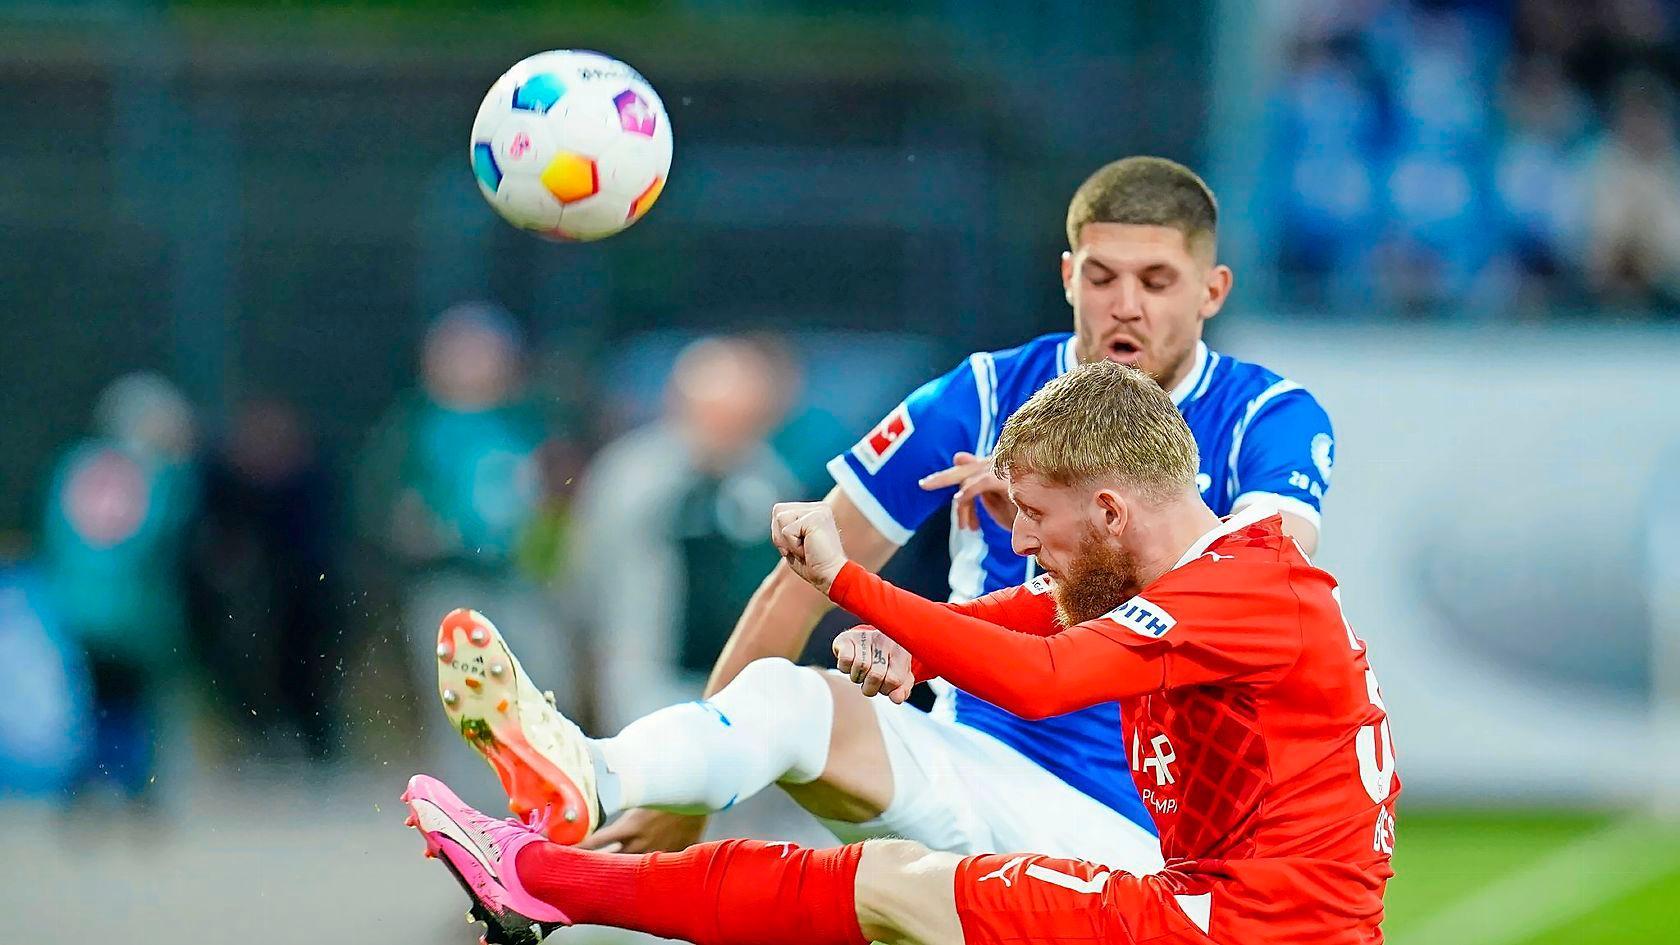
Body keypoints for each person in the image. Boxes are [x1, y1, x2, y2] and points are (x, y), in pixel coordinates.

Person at [435, 157, 1336, 870]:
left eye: (1156, 279)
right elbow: (803, 576)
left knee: (855, 894)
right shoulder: (982, 395)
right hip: (972, 765)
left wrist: (1068, 502)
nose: (1126, 305)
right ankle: (594, 774)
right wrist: (686, 800)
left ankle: (553, 873)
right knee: (793, 702)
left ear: (1211, 290)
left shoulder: (1270, 418)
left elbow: (1263, 587)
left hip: (1149, 830)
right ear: (1067, 275)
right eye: (1102, 276)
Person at [402, 361, 1397, 945]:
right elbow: (1037, 614)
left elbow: (1041, 680)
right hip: (1219, 910)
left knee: (891, 890)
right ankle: (550, 850)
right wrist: (915, 639)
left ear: (1109, 506)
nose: (1020, 542)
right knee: (883, 879)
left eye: (1039, 520)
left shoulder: (1237, 593)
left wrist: (845, 581)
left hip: (1241, 931)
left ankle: (542, 871)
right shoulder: (1204, 574)